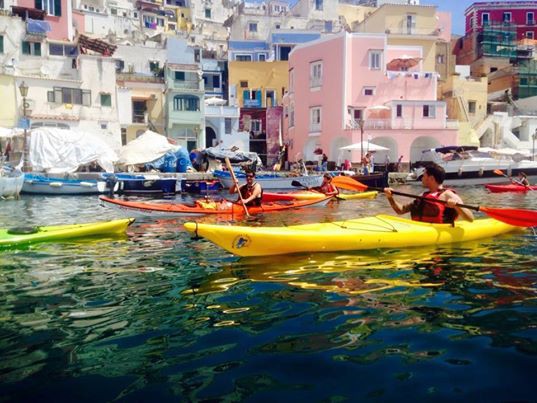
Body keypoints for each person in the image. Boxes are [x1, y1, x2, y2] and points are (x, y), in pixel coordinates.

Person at [384, 162, 474, 224]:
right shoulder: (422, 196)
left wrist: (456, 206)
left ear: (431, 178)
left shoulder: (448, 195)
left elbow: (470, 218)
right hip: (419, 231)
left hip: (439, 241)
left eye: (424, 175)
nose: (422, 178)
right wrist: (390, 198)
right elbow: (401, 210)